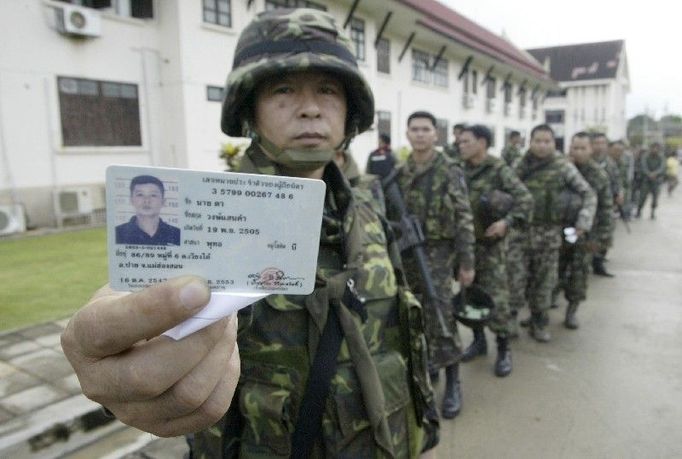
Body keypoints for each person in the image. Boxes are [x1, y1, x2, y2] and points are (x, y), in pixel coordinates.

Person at [62, 8, 438, 458]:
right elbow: (144, 331)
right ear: (249, 110)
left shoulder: (369, 210)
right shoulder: (206, 220)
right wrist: (120, 367)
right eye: (283, 90)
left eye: (328, 90)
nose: (311, 108)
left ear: (350, 110)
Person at [389, 110, 475, 419]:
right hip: (408, 255)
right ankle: (427, 368)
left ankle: (453, 382)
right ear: (408, 134)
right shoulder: (400, 172)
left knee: (441, 314)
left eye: (426, 129)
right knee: (413, 315)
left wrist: (467, 263)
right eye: (415, 129)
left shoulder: (449, 169)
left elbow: (464, 216)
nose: (421, 134)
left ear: (436, 134)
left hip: (438, 255)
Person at [456, 125, 532, 377]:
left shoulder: (498, 169)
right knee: (470, 298)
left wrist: (506, 223)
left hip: (491, 248)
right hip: (466, 247)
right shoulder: (458, 169)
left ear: (482, 143)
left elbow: (525, 200)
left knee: (497, 299)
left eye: (466, 141)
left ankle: (503, 348)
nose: (460, 145)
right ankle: (478, 341)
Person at [515, 124, 596, 342]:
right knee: (517, 280)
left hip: (550, 234)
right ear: (530, 142)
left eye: (547, 141)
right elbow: (506, 190)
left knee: (544, 281)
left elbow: (588, 193)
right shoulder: (520, 166)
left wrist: (583, 221)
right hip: (521, 233)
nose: (542, 146)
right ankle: (513, 321)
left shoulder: (563, 166)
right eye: (537, 141)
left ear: (554, 143)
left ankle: (539, 322)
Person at [553, 132, 613, 329]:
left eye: (582, 148)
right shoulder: (561, 169)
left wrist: (602, 238)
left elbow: (606, 208)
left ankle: (571, 311)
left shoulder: (598, 175)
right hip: (559, 229)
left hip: (585, 232)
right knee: (552, 271)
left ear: (590, 150)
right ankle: (542, 308)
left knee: (578, 273)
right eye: (574, 148)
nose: (578, 152)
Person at [115, 175, 181, 246]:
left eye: (153, 195)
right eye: (140, 195)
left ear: (163, 202)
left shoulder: (176, 234)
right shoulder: (118, 234)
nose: (146, 200)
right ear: (131, 200)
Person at [590, 133, 621, 277]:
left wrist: (619, 193)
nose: (600, 146)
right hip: (588, 204)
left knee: (606, 234)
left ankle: (598, 261)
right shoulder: (585, 160)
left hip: (605, 205)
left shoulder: (609, 163)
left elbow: (616, 180)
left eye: (602, 143)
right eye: (596, 143)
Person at [636, 142, 666, 219]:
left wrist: (655, 174)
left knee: (655, 198)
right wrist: (649, 174)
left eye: (657, 148)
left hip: (656, 181)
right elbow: (643, 166)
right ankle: (638, 211)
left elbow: (662, 167)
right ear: (651, 148)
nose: (655, 150)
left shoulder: (661, 157)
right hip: (646, 180)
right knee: (642, 197)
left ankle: (652, 213)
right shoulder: (645, 156)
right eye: (653, 148)